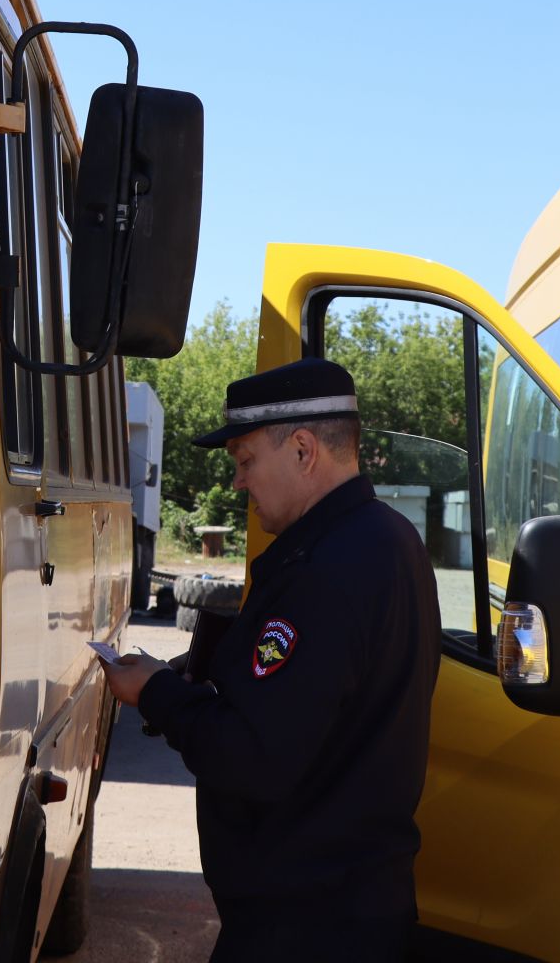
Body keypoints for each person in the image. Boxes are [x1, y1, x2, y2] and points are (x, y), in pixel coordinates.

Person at [101, 357, 441, 962]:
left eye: (245, 461)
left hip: (305, 924)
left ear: (304, 450)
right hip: (351, 907)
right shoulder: (390, 539)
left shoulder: (324, 570)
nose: (238, 483)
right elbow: (319, 711)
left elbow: (252, 754)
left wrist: (154, 692)